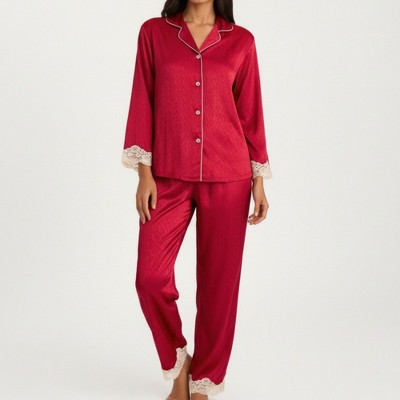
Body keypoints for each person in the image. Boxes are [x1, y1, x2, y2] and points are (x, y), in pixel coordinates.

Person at [121, 0, 272, 399]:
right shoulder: (154, 33)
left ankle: (204, 383)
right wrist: (143, 171)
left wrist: (258, 178)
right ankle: (179, 364)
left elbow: (250, 112)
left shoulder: (241, 41)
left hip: (229, 175)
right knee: (150, 279)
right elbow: (142, 99)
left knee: (219, 286)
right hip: (166, 175)